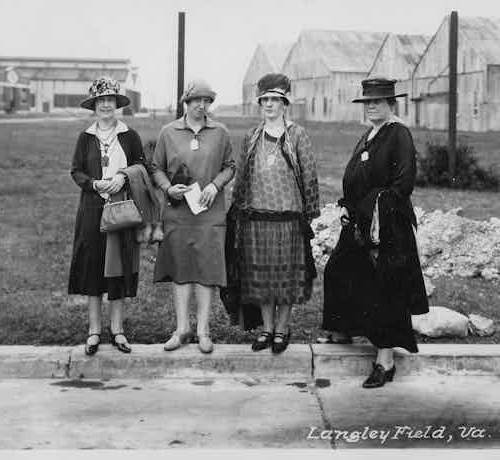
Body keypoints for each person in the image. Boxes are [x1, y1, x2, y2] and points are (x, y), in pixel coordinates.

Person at [322, 77, 429, 387]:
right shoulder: (368, 135)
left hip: (387, 224)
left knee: (386, 288)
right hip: (359, 221)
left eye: (378, 102)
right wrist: (346, 204)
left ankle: (385, 360)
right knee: (339, 269)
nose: (371, 106)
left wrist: (375, 210)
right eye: (367, 102)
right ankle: (346, 328)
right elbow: (356, 179)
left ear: (391, 104)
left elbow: (403, 183)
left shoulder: (398, 134)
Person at [224, 73, 320, 353]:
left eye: (275, 100)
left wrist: (310, 213)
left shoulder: (297, 135)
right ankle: (267, 329)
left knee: (286, 278)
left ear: (285, 103)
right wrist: (238, 210)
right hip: (257, 219)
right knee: (262, 278)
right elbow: (242, 174)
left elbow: (310, 175)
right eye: (264, 99)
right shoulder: (252, 136)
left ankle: (283, 327)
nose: (269, 105)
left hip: (288, 218)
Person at [150, 80, 235, 354]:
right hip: (178, 212)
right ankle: (182, 328)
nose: (201, 105)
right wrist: (168, 188)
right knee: (181, 267)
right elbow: (156, 168)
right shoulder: (168, 132)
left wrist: (214, 185)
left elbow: (230, 166)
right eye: (196, 100)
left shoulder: (220, 132)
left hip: (210, 212)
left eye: (206, 100)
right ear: (185, 103)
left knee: (206, 268)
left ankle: (203, 330)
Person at [68, 76, 146, 355]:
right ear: (94, 105)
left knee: (118, 267)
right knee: (92, 266)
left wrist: (123, 177)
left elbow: (142, 166)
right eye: (101, 101)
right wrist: (93, 184)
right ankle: (93, 331)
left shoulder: (129, 135)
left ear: (117, 104)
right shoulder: (86, 137)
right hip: (91, 209)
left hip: (122, 207)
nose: (106, 105)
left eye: (110, 100)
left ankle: (118, 330)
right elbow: (76, 170)